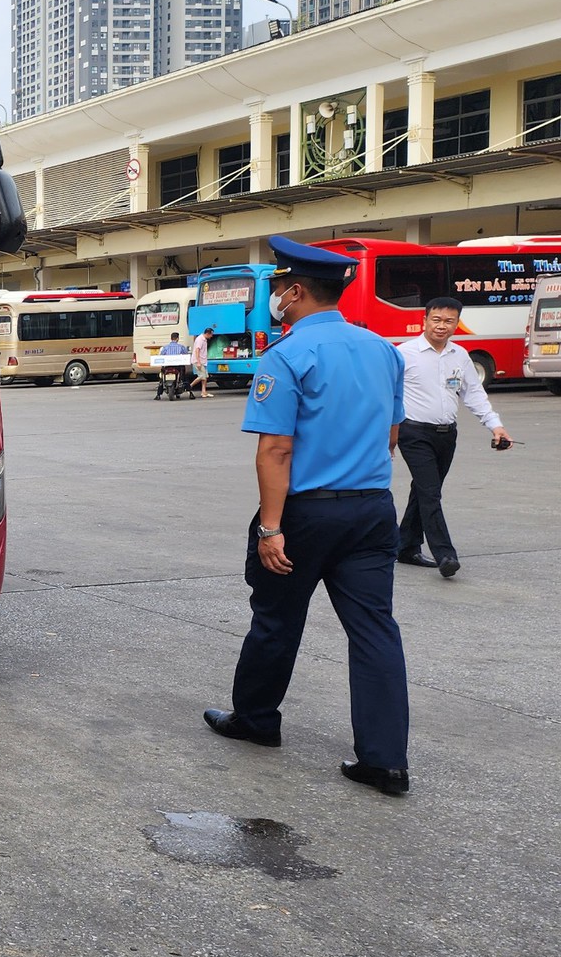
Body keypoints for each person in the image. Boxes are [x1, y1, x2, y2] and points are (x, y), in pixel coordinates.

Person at [203, 236, 413, 797]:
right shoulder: (382, 349)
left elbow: (275, 450)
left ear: (295, 291)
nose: (275, 297)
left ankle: (256, 719)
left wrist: (271, 526)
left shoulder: (288, 355)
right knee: (374, 631)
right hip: (372, 509)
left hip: (307, 513)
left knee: (276, 619)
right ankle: (385, 760)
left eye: (277, 288)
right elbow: (392, 436)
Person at [395, 296, 511, 578]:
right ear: (424, 320)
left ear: (457, 324)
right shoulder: (403, 353)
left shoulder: (459, 355)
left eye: (449, 321)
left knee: (423, 491)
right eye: (436, 320)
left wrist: (495, 426)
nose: (441, 326)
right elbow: (385, 394)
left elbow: (473, 394)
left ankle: (405, 547)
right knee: (430, 492)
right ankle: (445, 553)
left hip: (446, 435)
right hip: (413, 432)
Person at [190, 327, 212, 397]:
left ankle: (204, 392)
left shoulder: (204, 339)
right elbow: (197, 350)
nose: (212, 336)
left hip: (203, 361)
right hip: (198, 361)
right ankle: (189, 387)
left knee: (205, 377)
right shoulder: (200, 339)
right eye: (211, 334)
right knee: (202, 376)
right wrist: (198, 362)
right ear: (208, 334)